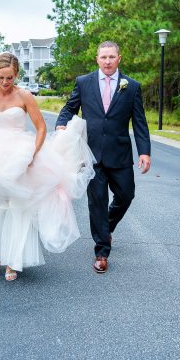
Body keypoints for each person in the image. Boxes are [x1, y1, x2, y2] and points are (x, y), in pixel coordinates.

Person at [0, 52, 94, 281]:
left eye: (10, 78)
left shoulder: (24, 96)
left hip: (18, 154)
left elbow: (41, 128)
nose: (5, 83)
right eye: (1, 77)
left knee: (17, 206)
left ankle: (14, 258)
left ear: (16, 75)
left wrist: (33, 154)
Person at [56, 41, 151, 274]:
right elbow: (70, 108)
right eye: (103, 57)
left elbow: (139, 121)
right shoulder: (84, 82)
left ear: (119, 58)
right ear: (97, 59)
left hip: (120, 153)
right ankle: (101, 251)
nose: (107, 61)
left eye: (111, 57)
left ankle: (107, 226)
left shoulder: (132, 86)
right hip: (91, 154)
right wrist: (61, 124)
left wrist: (145, 151)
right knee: (96, 202)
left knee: (126, 195)